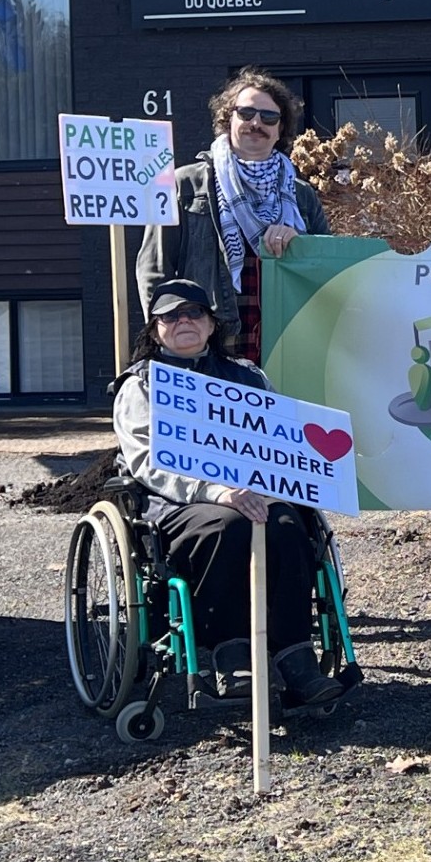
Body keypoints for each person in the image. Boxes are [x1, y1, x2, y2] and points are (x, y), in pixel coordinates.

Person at [112, 278, 345, 709]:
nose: (184, 321)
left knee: (289, 525)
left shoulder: (247, 377)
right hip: (181, 504)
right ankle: (231, 654)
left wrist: (287, 482)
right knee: (229, 525)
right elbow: (147, 460)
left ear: (211, 324)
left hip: (257, 492)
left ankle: (296, 657)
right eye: (171, 315)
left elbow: (281, 441)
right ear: (155, 327)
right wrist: (214, 490)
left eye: (194, 313)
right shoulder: (141, 385)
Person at [137, 68, 329, 363]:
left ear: (280, 130)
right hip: (209, 346)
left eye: (269, 117)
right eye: (246, 113)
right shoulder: (184, 184)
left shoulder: (301, 194)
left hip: (285, 343)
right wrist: (169, 339)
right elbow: (154, 269)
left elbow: (327, 272)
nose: (256, 123)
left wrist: (301, 243)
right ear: (228, 120)